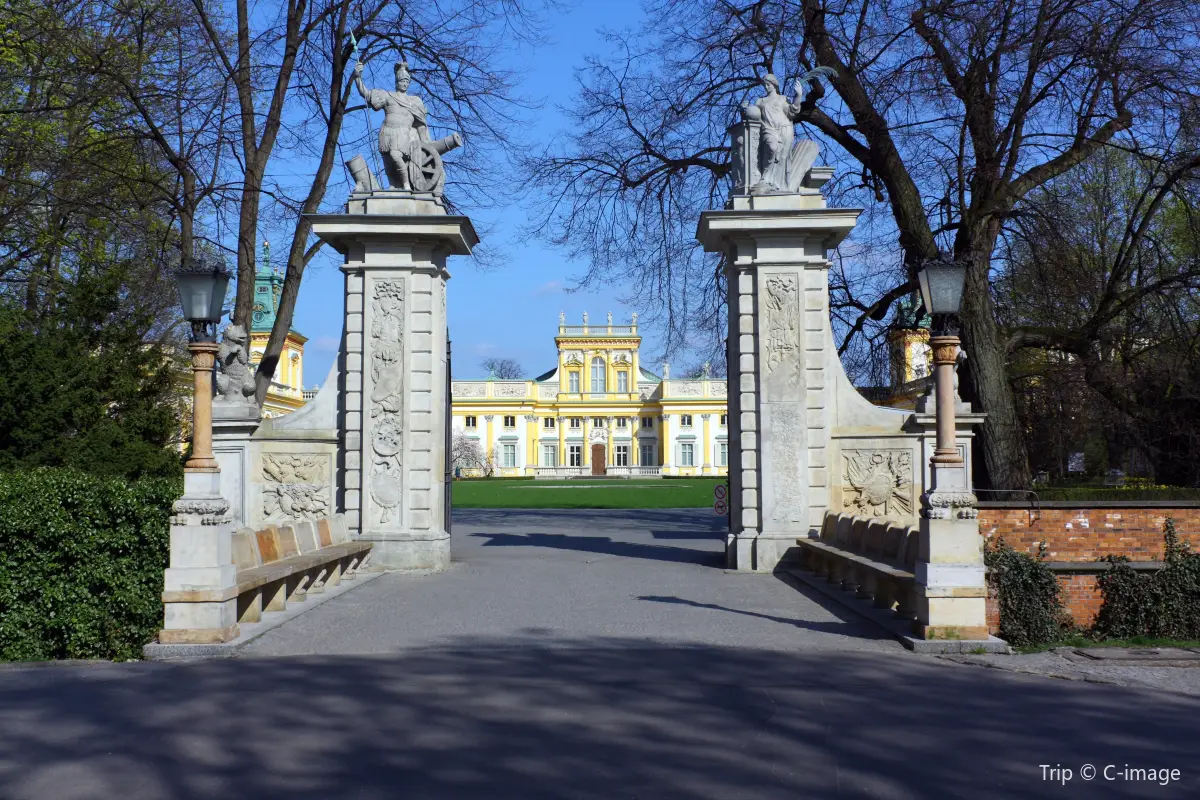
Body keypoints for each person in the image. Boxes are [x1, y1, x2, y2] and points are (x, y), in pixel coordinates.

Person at [354, 60, 429, 190]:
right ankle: (393, 186)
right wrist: (357, 77)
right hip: (387, 132)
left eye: (407, 81)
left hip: (403, 133)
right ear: (396, 82)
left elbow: (421, 124)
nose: (405, 84)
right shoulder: (388, 96)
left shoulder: (415, 101)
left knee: (395, 155)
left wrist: (425, 143)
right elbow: (366, 94)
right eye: (402, 81)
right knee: (388, 164)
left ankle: (406, 184)